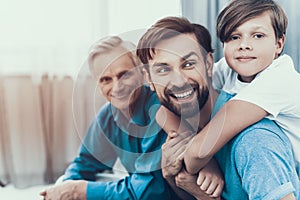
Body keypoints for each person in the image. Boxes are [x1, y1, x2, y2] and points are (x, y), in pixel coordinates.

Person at [136, 16, 300, 199]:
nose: (179, 81)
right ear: (148, 79)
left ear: (208, 64)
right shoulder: (182, 128)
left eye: (189, 64)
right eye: (163, 70)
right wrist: (172, 176)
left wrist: (201, 188)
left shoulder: (254, 141)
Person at [40, 36, 182, 200]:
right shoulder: (108, 114)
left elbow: (149, 190)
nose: (117, 87)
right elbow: (85, 162)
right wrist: (67, 185)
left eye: (124, 75)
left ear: (143, 74)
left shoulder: (160, 110)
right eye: (106, 79)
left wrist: (78, 191)